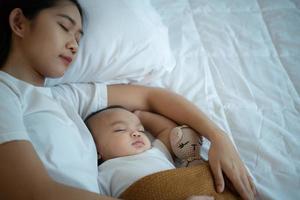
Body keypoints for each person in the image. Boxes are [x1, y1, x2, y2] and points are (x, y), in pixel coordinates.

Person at [0, 0, 256, 200]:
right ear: (19, 22)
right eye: (65, 27)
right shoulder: (5, 92)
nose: (74, 46)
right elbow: (29, 193)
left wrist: (219, 137)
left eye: (79, 38)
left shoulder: (65, 97)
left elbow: (150, 96)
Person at [85, 105, 206, 197]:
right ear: (95, 149)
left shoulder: (156, 152)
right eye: (120, 129)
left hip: (184, 188)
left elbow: (169, 130)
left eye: (141, 129)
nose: (136, 133)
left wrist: (142, 116)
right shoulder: (102, 173)